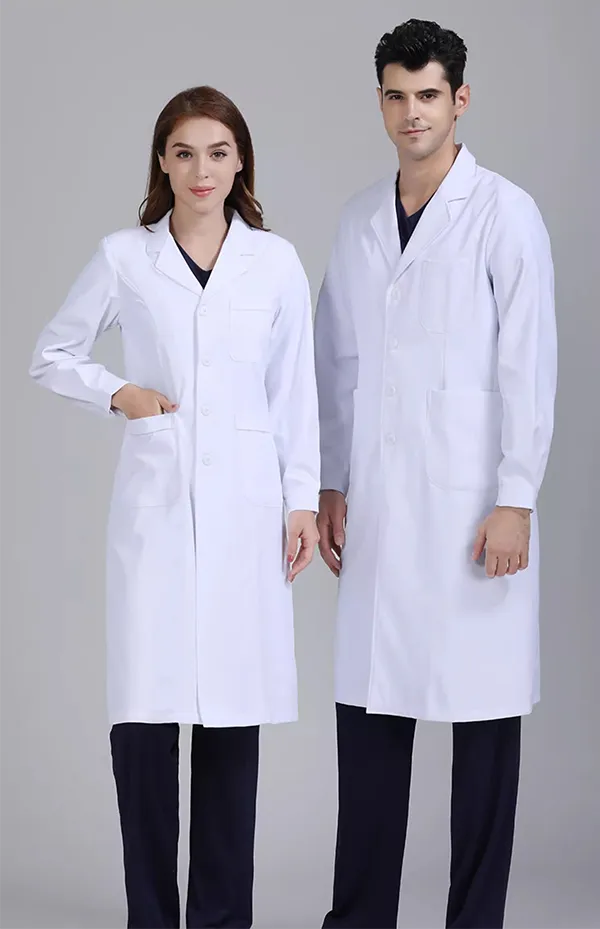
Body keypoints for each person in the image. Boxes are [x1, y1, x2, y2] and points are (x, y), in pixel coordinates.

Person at [30, 85, 320, 929]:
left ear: (241, 162)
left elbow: (295, 393)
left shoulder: (275, 262)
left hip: (247, 515)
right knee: (144, 727)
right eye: (185, 152)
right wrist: (119, 391)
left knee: (231, 723)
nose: (202, 170)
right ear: (162, 159)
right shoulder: (126, 256)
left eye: (219, 153)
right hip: (155, 517)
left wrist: (301, 501)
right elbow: (52, 353)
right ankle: (151, 918)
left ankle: (222, 919)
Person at [315, 19, 556, 929]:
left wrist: (516, 496)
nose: (411, 112)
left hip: (472, 507)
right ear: (379, 103)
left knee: (483, 727)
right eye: (395, 95)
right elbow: (335, 364)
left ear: (460, 99)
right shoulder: (357, 221)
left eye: (427, 95)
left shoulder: (504, 212)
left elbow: (529, 363)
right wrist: (331, 482)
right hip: (380, 510)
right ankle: (359, 918)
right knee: (371, 720)